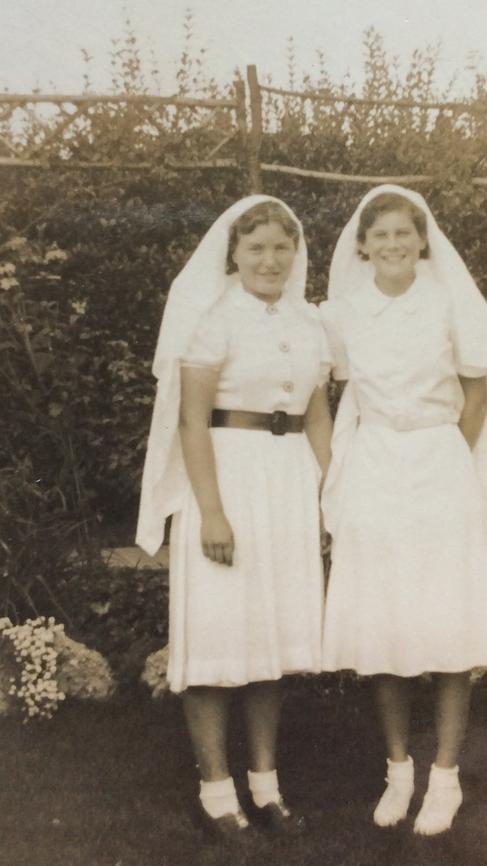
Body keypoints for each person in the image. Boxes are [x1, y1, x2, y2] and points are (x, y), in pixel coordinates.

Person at [319, 185, 487, 836]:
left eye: (402, 235)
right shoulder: (344, 312)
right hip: (374, 465)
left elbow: (477, 395)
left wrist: (448, 460)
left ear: (421, 241)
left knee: (447, 624)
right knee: (381, 624)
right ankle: (397, 770)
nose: (391, 245)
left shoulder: (446, 302)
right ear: (363, 245)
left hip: (439, 463)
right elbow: (323, 385)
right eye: (379, 235)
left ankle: (445, 777)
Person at [136, 196, 332, 841]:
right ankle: (216, 791)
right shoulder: (211, 320)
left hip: (288, 480)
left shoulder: (311, 324)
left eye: (282, 247)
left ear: (295, 254)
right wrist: (212, 512)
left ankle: (266, 786)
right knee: (218, 634)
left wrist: (331, 496)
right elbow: (193, 420)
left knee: (271, 641)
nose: (270, 260)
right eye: (257, 248)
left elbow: (318, 415)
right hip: (225, 477)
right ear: (235, 255)